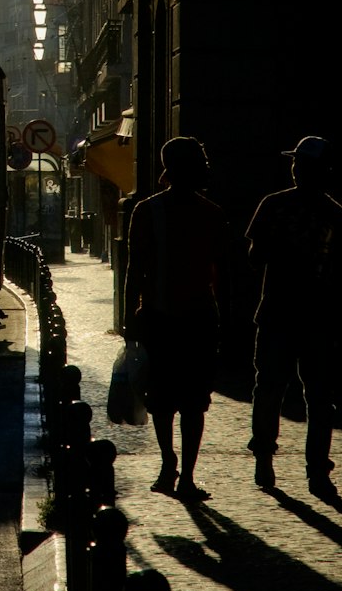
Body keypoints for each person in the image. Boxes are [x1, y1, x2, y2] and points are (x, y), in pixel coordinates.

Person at [123, 137, 230, 501]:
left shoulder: (149, 211)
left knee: (169, 399)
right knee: (188, 401)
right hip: (189, 319)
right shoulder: (208, 213)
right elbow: (223, 273)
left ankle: (173, 467)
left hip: (166, 317)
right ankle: (181, 472)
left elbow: (134, 270)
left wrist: (128, 318)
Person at [245, 135, 342, 503]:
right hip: (317, 318)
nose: (294, 168)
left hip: (280, 313)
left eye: (299, 163)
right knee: (318, 398)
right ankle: (317, 472)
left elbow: (254, 258)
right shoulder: (335, 213)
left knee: (270, 389)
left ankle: (265, 460)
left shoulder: (273, 205)